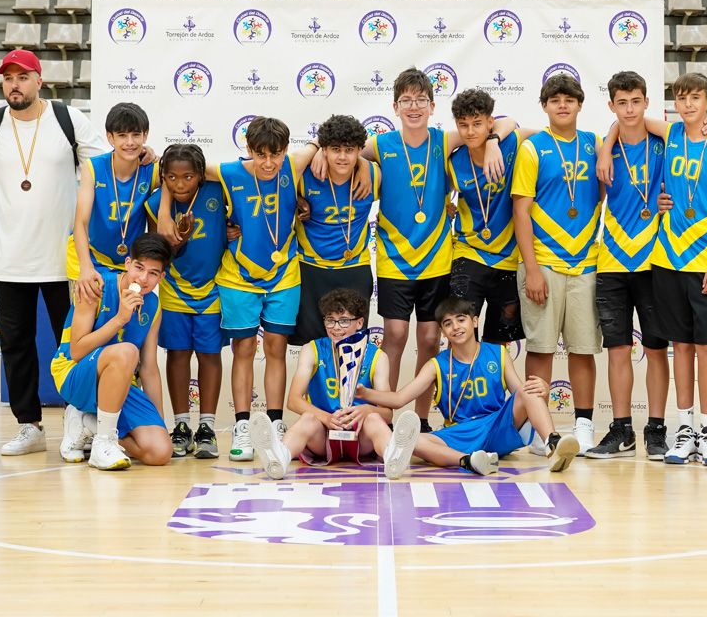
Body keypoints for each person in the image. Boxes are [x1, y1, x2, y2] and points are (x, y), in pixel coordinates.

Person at [309, 67, 515, 428]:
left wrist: (495, 139)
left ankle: (419, 419)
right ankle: (384, 414)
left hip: (437, 260)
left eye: (421, 100)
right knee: (396, 335)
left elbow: (509, 121)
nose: (414, 106)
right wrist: (317, 149)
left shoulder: (445, 139)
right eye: (407, 100)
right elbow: (347, 146)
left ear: (432, 106)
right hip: (394, 261)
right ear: (395, 106)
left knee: (431, 337)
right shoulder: (380, 145)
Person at [0, 50, 122, 456]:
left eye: (23, 76)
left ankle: (81, 419)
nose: (15, 84)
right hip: (9, 257)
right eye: (8, 78)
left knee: (73, 343)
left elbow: (106, 167)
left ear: (39, 80)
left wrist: (145, 159)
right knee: (15, 345)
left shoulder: (68, 120)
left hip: (64, 258)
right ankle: (28, 425)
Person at [187, 117, 344, 461]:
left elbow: (317, 144)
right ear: (249, 150)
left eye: (275, 154)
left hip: (284, 273)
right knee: (243, 348)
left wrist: (317, 150)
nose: (269, 163)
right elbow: (182, 167)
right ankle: (243, 426)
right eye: (261, 155)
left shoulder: (295, 163)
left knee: (276, 347)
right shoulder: (229, 172)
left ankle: (275, 423)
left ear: (285, 150)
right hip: (239, 275)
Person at [605, 72, 707, 466]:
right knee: (680, 345)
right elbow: (624, 120)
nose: (688, 105)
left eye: (695, 98)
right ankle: (684, 430)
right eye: (681, 99)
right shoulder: (671, 134)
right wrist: (603, 149)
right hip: (667, 259)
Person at [356, 297, 581, 475]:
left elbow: (521, 395)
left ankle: (553, 444)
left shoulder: (498, 353)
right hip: (460, 432)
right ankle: (470, 461)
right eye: (447, 323)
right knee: (410, 438)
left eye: (461, 319)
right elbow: (399, 399)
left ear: (474, 321)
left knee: (528, 388)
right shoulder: (436, 364)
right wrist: (364, 392)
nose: (456, 327)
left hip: (496, 426)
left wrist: (544, 388)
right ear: (442, 332)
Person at [512, 73, 604, 455]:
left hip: (585, 262)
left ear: (580, 104)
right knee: (542, 348)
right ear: (544, 106)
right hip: (544, 264)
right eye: (554, 100)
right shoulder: (533, 148)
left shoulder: (596, 144)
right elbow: (521, 209)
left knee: (583, 350)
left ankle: (583, 427)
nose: (562, 105)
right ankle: (541, 430)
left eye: (569, 99)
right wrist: (531, 268)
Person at [586, 71, 671, 461]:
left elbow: (677, 128)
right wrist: (606, 144)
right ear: (611, 106)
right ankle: (622, 430)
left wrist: (610, 136)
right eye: (622, 102)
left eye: (636, 101)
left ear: (646, 102)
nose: (630, 109)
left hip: (655, 261)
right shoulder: (600, 154)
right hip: (612, 260)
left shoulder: (664, 141)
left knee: (655, 349)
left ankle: (656, 429)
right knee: (617, 350)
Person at [248, 289, 421, 479]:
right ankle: (279, 457)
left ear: (360, 323)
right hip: (324, 434)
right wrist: (326, 418)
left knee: (374, 420)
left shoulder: (377, 357)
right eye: (330, 320)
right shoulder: (312, 350)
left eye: (344, 320)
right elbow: (293, 401)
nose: (336, 327)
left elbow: (387, 413)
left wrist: (366, 411)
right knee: (308, 418)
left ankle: (393, 457)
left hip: (361, 435)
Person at [53, 233, 173, 470]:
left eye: (153, 273)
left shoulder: (154, 306)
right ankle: (103, 443)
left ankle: (89, 422)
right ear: (128, 263)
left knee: (160, 452)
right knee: (127, 351)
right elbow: (76, 351)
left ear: (162, 276)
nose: (143, 278)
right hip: (74, 375)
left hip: (119, 386)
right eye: (139, 267)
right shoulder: (96, 286)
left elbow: (149, 369)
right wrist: (120, 318)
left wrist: (157, 419)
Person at [145, 144, 227, 460]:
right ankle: (181, 426)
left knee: (209, 355)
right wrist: (178, 242)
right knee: (178, 354)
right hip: (175, 291)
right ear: (163, 177)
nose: (181, 185)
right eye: (172, 177)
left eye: (189, 177)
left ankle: (206, 427)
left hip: (213, 290)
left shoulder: (219, 192)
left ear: (200, 176)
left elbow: (239, 223)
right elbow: (158, 251)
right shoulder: (155, 205)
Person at [447, 88, 534, 346]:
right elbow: (434, 195)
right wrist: (445, 208)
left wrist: (495, 140)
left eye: (477, 124)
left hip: (508, 258)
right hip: (468, 253)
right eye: (464, 125)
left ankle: (493, 386)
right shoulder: (453, 161)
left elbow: (542, 135)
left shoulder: (510, 143)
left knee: (499, 340)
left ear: (489, 122)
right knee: (460, 333)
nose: (471, 131)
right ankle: (459, 385)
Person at [291, 115, 380, 347]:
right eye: (335, 149)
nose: (342, 156)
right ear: (325, 149)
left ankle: (350, 386)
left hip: (354, 269)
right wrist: (297, 201)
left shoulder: (373, 175)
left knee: (352, 347)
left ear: (360, 150)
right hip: (311, 270)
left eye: (349, 150)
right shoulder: (305, 174)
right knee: (312, 347)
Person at [70, 102, 158, 303]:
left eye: (136, 135)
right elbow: (81, 223)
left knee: (124, 324)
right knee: (88, 324)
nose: (130, 142)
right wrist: (86, 268)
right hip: (90, 257)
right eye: (122, 135)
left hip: (129, 264)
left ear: (145, 135)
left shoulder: (151, 169)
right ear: (110, 137)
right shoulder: (93, 167)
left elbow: (183, 174)